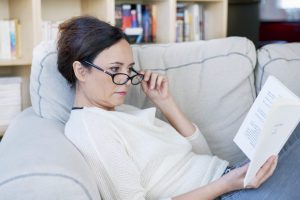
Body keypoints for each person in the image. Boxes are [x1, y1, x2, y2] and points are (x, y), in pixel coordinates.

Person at [57, 16, 300, 200]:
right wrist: (227, 184)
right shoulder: (91, 128)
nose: (126, 80)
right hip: (230, 193)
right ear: (81, 71)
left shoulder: (119, 110)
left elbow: (202, 156)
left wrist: (165, 102)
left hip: (232, 179)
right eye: (114, 70)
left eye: (128, 69)